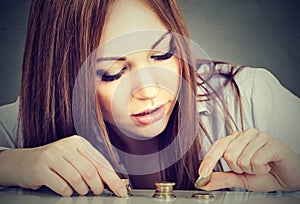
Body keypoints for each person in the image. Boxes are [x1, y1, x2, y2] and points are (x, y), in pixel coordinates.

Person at [0, 0, 299, 197]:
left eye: (163, 54)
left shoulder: (249, 97)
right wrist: (12, 164)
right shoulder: (33, 119)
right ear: (64, 80)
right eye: (113, 72)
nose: (149, 90)